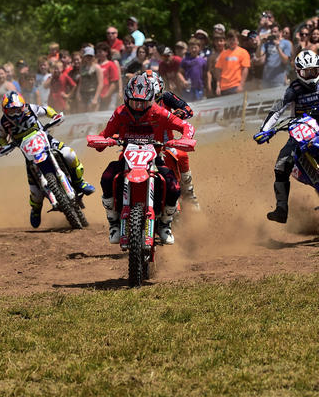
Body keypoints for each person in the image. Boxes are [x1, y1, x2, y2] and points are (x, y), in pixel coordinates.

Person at [89, 74, 195, 245]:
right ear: (126, 98)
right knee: (107, 178)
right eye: (134, 102)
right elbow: (105, 134)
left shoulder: (159, 112)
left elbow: (186, 125)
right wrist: (101, 142)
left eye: (143, 102)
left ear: (151, 99)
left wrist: (185, 138)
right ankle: (113, 222)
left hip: (155, 158)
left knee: (174, 187)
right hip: (127, 160)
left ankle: (166, 224)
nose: (138, 107)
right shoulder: (120, 113)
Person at [253, 50, 319, 223]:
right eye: (306, 72)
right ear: (298, 72)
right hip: (298, 134)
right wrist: (264, 130)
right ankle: (281, 209)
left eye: (314, 71)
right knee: (280, 166)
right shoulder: (293, 89)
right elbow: (278, 109)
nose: (311, 76)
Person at [0, 91, 94, 228]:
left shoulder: (31, 108)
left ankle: (80, 182)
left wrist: (54, 116)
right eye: (11, 111)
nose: (15, 113)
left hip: (45, 139)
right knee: (35, 192)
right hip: (29, 153)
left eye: (17, 109)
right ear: (5, 110)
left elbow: (46, 110)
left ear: (22, 106)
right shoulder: (3, 123)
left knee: (69, 154)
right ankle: (36, 209)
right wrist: (5, 147)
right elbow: (1, 138)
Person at [142, 70, 200, 209]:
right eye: (148, 97)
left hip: (166, 143)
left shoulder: (167, 97)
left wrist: (178, 114)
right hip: (142, 145)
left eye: (155, 97)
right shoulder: (136, 103)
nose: (151, 101)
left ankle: (189, 194)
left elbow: (188, 109)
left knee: (182, 155)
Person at [213, 30, 251, 95]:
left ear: (237, 41)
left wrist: (241, 85)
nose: (231, 42)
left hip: (236, 86)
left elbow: (245, 69)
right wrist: (218, 86)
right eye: (229, 40)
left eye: (233, 40)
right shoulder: (223, 54)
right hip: (223, 87)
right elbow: (218, 70)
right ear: (227, 41)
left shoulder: (243, 52)